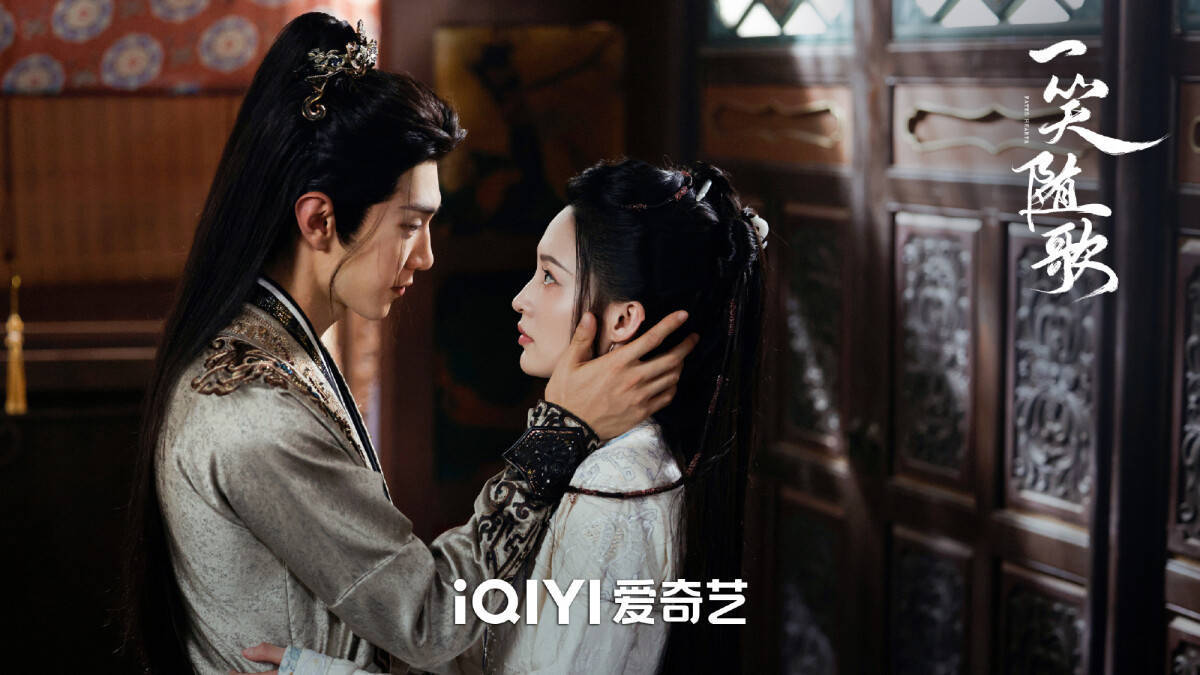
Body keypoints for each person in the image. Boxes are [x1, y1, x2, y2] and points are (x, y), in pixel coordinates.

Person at [120, 14, 696, 675]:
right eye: (410, 225)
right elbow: (428, 618)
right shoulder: (255, 410)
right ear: (320, 219)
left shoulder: (277, 350)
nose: (425, 256)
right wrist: (558, 434)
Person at [240, 158, 767, 674]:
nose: (520, 299)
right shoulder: (595, 456)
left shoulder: (618, 480)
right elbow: (483, 648)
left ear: (623, 319)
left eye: (550, 277)